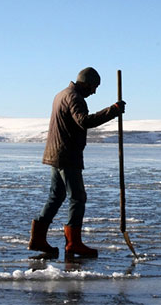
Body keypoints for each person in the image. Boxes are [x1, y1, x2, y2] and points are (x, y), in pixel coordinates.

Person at [28, 67, 125, 258]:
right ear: (85, 83)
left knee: (56, 196)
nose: (94, 92)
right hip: (66, 155)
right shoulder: (74, 97)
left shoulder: (61, 94)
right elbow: (84, 121)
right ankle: (73, 243)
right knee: (77, 197)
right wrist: (112, 111)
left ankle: (38, 238)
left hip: (57, 154)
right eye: (94, 87)